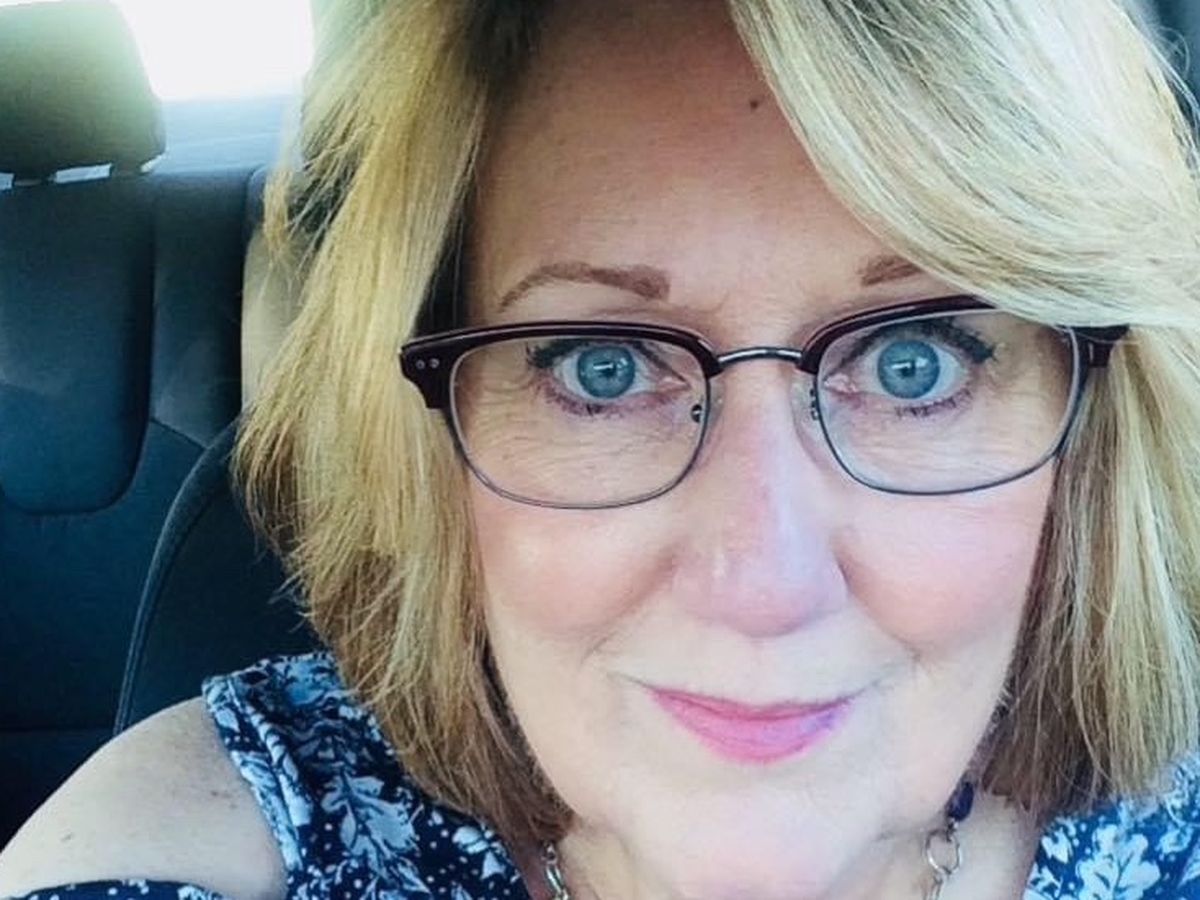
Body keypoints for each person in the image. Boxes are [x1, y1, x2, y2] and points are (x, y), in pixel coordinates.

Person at [4, 0, 1200, 897]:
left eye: (914, 364)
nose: (762, 584)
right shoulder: (228, 830)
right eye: (602, 368)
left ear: (1097, 437)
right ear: (430, 441)